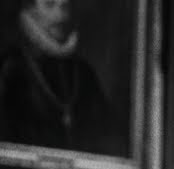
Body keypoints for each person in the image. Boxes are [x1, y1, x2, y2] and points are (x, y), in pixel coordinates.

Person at [0, 0, 125, 155]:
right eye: (50, 5)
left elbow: (107, 135)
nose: (61, 16)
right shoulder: (9, 69)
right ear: (29, 11)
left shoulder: (82, 71)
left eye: (64, 7)